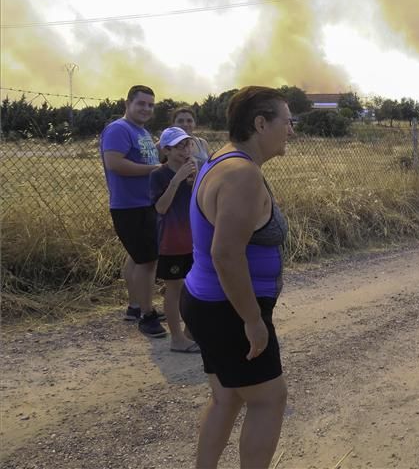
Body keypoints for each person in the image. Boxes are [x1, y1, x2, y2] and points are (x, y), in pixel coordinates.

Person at [180, 86, 293, 469]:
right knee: (268, 399)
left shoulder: (221, 160)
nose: (290, 130)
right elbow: (226, 255)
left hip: (207, 302)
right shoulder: (242, 175)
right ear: (260, 124)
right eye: (286, 121)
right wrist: (252, 321)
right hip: (229, 310)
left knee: (227, 397)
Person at [100, 85, 166, 338]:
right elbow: (115, 164)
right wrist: (155, 170)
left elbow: (148, 160)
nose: (146, 109)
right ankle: (147, 317)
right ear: (127, 103)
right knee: (148, 261)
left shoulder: (142, 132)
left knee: (138, 257)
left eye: (150, 105)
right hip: (130, 207)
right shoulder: (119, 129)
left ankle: (135, 307)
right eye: (141, 103)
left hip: (144, 203)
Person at [150, 126, 200, 353]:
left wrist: (196, 179)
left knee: (194, 288)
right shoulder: (158, 175)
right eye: (179, 146)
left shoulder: (192, 172)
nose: (185, 150)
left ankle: (191, 333)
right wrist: (177, 180)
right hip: (171, 243)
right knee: (175, 289)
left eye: (187, 144)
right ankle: (177, 339)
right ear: (166, 150)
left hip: (193, 240)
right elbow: (160, 208)